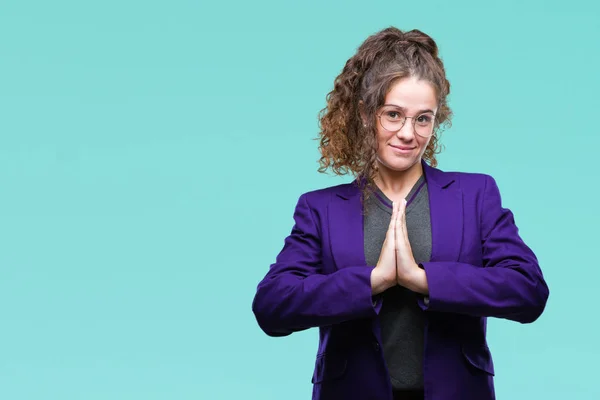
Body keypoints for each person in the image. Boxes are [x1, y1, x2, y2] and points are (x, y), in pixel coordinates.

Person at [251, 26, 549, 400]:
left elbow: (529, 290)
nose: (409, 133)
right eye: (394, 115)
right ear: (365, 114)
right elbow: (272, 305)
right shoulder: (321, 209)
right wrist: (372, 282)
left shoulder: (474, 194)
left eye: (423, 118)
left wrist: (423, 280)